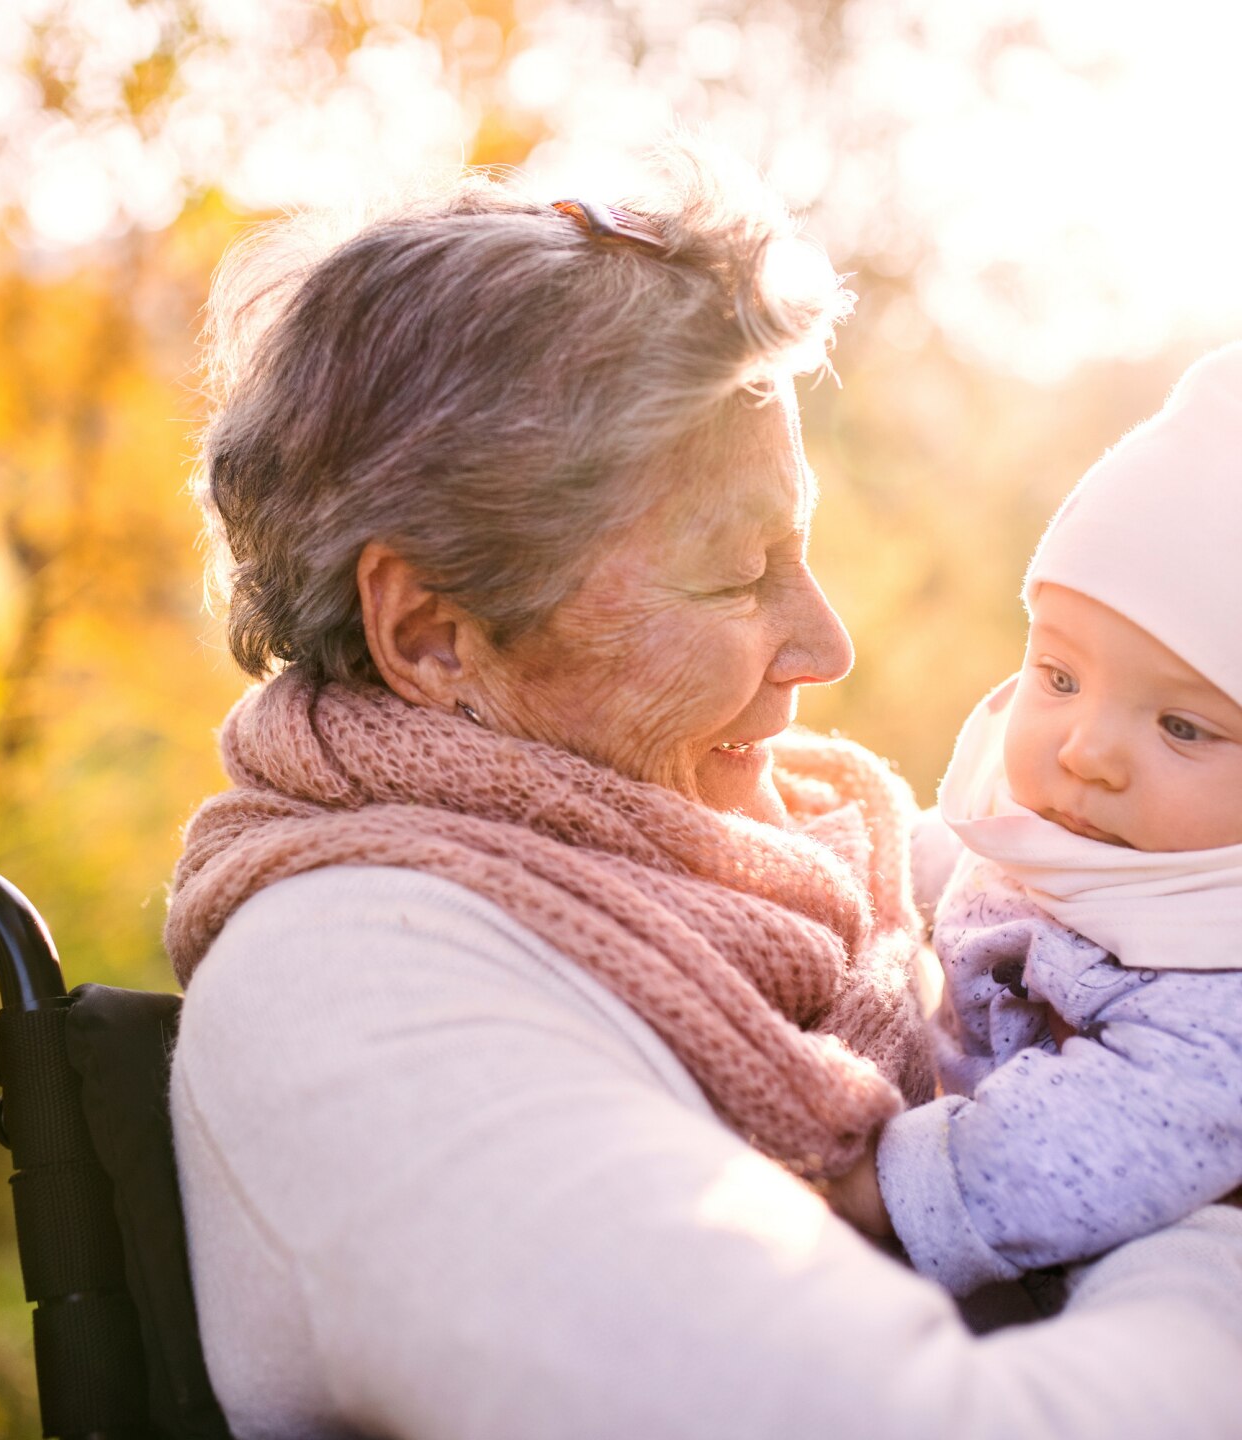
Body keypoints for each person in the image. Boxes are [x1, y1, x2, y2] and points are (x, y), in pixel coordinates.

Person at [165, 148, 1242, 1440]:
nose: (826, 645)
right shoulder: (364, 1005)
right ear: (433, 636)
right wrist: (1201, 1207)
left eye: (805, 548)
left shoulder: (816, 865)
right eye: (740, 577)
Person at [839, 346, 1242, 1298]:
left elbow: (1128, 1124)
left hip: (1121, 1260)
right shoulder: (1101, 831)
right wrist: (844, 844)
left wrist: (879, 1191)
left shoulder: (1214, 964)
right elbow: (965, 869)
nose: (1085, 750)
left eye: (1182, 725)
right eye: (1059, 678)